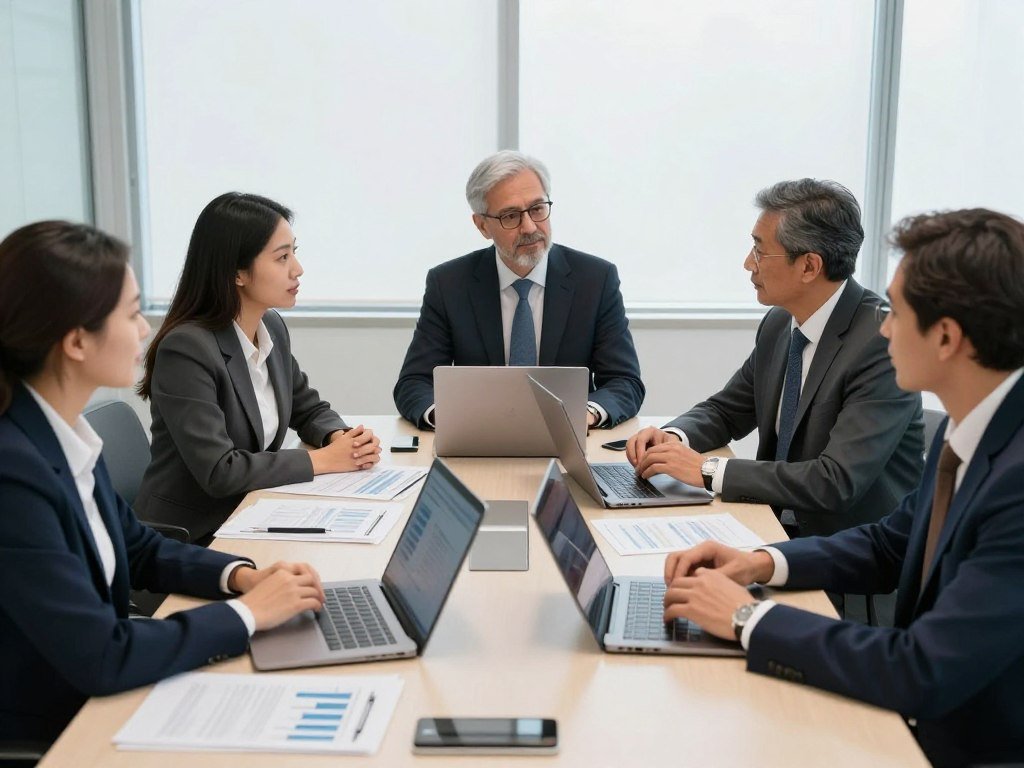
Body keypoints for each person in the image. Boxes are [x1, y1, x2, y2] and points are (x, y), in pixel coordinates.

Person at [660, 208, 1024, 767]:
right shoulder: (971, 424)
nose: (884, 328)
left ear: (947, 337)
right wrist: (759, 562)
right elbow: (889, 544)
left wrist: (746, 618)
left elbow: (921, 669)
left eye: (897, 312)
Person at [0, 221, 327, 745]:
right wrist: (248, 615)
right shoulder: (13, 473)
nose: (145, 329)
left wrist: (242, 577)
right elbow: (103, 655)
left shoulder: (60, 434)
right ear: (77, 341)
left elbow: (139, 547)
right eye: (131, 313)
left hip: (99, 689)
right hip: (61, 726)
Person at [628, 179, 923, 540]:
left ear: (809, 266)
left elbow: (835, 481)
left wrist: (707, 470)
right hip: (771, 524)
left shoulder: (882, 343)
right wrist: (673, 438)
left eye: (759, 250)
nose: (747, 264)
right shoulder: (781, 322)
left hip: (847, 547)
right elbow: (727, 410)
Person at [136, 193, 380, 544]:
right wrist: (325, 460)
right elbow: (221, 471)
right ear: (237, 273)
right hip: (193, 537)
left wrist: (339, 438)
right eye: (282, 257)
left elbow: (307, 408)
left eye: (294, 252)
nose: (297, 269)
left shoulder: (271, 327)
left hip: (252, 512)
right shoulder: (187, 349)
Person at [393, 150, 644, 430]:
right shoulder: (449, 284)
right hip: (478, 437)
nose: (529, 227)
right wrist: (450, 418)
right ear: (482, 225)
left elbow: (624, 382)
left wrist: (584, 415)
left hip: (569, 437)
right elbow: (414, 383)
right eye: (510, 216)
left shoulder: (595, 280)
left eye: (537, 209)